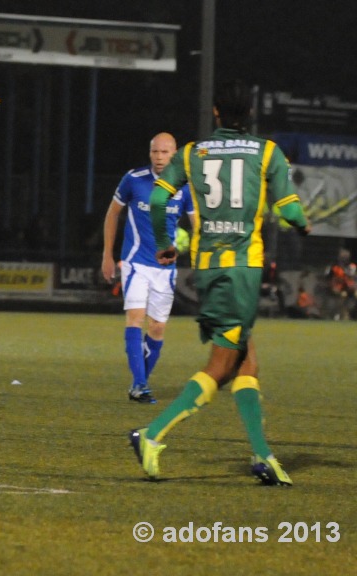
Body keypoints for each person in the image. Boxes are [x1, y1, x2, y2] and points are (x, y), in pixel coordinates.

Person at [129, 79, 310, 486]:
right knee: (222, 365)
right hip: (241, 270)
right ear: (249, 114)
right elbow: (289, 209)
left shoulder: (193, 152)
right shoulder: (267, 152)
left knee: (247, 362)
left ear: (215, 113)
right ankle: (152, 434)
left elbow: (159, 200)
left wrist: (164, 243)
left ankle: (262, 455)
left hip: (209, 269)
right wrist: (303, 224)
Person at [101, 133, 196, 404]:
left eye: (165, 152)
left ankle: (138, 383)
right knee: (135, 318)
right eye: (155, 151)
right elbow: (112, 214)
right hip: (135, 262)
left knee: (157, 329)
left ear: (175, 154)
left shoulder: (185, 188)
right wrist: (107, 255)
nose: (159, 157)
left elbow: (197, 224)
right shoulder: (134, 179)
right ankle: (141, 384)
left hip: (165, 269)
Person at [325, 248, 356, 321]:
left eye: (345, 256)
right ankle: (338, 314)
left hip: (350, 288)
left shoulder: (352, 266)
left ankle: (349, 315)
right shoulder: (334, 267)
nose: (343, 258)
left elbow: (351, 276)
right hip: (338, 288)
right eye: (342, 256)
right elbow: (328, 277)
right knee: (341, 297)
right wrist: (332, 286)